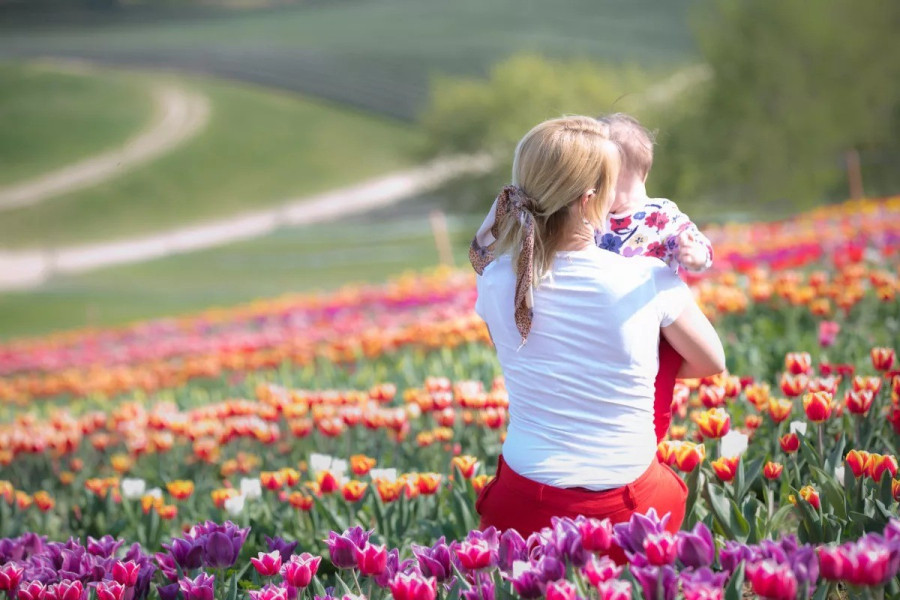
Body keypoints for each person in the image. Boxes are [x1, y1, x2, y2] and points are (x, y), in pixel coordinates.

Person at [469, 116, 725, 562]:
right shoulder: (645, 278)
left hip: (522, 509)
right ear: (589, 201)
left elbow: (516, 348)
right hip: (630, 511)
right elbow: (711, 361)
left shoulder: (494, 280)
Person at [596, 113, 715, 444]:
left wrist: (694, 254)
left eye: (599, 177)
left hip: (656, 326)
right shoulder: (595, 217)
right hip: (609, 324)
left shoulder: (661, 214)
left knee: (654, 394)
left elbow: (695, 241)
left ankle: (651, 440)